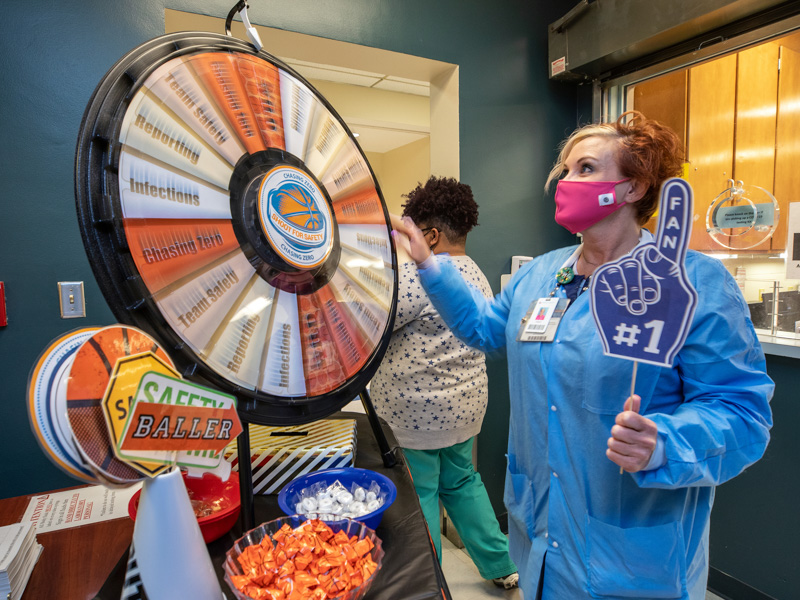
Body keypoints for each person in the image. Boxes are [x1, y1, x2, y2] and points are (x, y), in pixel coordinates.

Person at [391, 113, 774, 600]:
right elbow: (485, 330)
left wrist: (666, 442)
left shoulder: (693, 284)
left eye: (586, 168)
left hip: (631, 558)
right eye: (566, 171)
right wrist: (431, 266)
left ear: (633, 187)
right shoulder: (542, 276)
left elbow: (743, 412)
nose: (567, 182)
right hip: (541, 539)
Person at [371, 176, 519, 589]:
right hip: (465, 411)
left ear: (430, 236)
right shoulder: (475, 272)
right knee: (462, 482)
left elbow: (373, 328)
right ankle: (501, 565)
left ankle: (429, 584)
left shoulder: (418, 277)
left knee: (419, 498)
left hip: (415, 418)